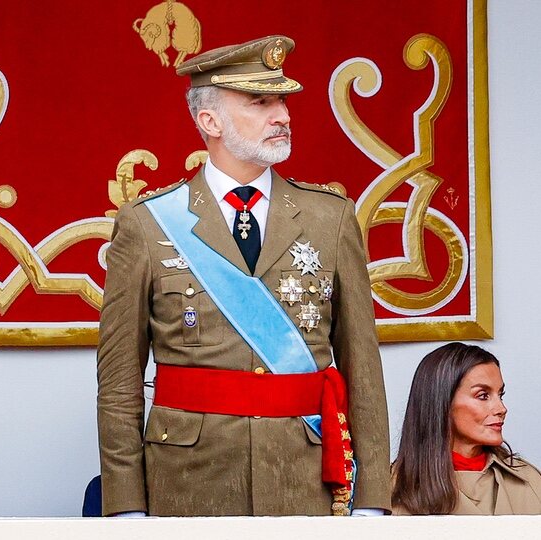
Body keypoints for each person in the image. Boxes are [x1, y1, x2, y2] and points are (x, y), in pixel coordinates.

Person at [96, 35, 391, 517]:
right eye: (260, 102)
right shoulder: (147, 223)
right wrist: (126, 507)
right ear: (208, 120)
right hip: (189, 482)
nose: (283, 115)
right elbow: (119, 382)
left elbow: (363, 368)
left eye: (282, 101)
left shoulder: (330, 218)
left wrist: (373, 499)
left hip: (304, 480)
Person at [392, 342, 541, 515]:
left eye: (500, 395)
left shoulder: (530, 480)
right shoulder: (390, 490)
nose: (501, 408)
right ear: (441, 404)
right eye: (483, 396)